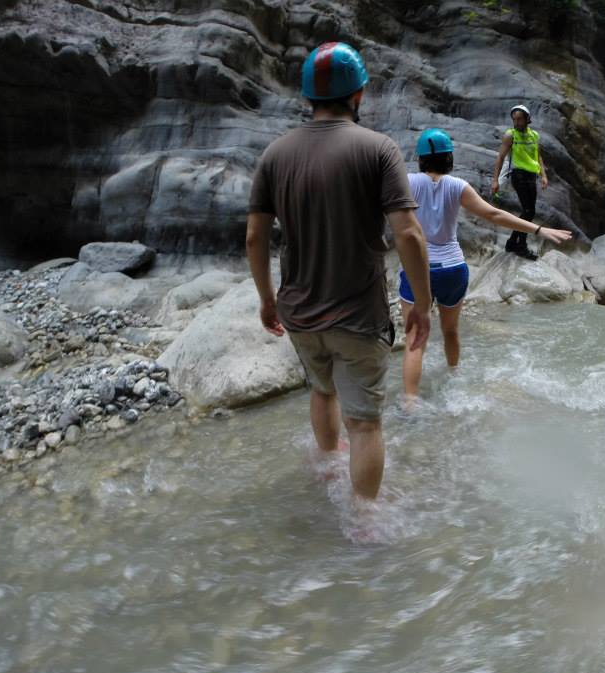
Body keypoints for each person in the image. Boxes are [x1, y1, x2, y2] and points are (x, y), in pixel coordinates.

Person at [246, 42, 433, 500]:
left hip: (300, 313)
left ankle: (329, 466)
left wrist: (267, 298)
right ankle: (366, 522)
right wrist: (422, 305)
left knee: (323, 390)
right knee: (365, 422)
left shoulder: (275, 154)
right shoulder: (378, 149)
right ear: (359, 94)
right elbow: (408, 234)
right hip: (358, 313)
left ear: (307, 95)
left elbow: (254, 237)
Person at [400, 128, 574, 399]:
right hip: (453, 269)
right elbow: (494, 214)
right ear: (449, 158)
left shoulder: (406, 182)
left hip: (417, 269)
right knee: (450, 331)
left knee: (414, 341)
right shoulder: (457, 186)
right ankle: (454, 380)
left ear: (420, 158)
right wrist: (538, 230)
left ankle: (410, 404)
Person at [490, 104, 549, 261]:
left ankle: (511, 242)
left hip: (531, 175)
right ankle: (520, 245)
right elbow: (500, 157)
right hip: (518, 175)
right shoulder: (510, 135)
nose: (516, 123)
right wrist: (495, 180)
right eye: (514, 119)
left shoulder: (534, 135)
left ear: (527, 119)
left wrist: (543, 175)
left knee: (530, 211)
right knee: (528, 210)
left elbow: (538, 157)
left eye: (519, 119)